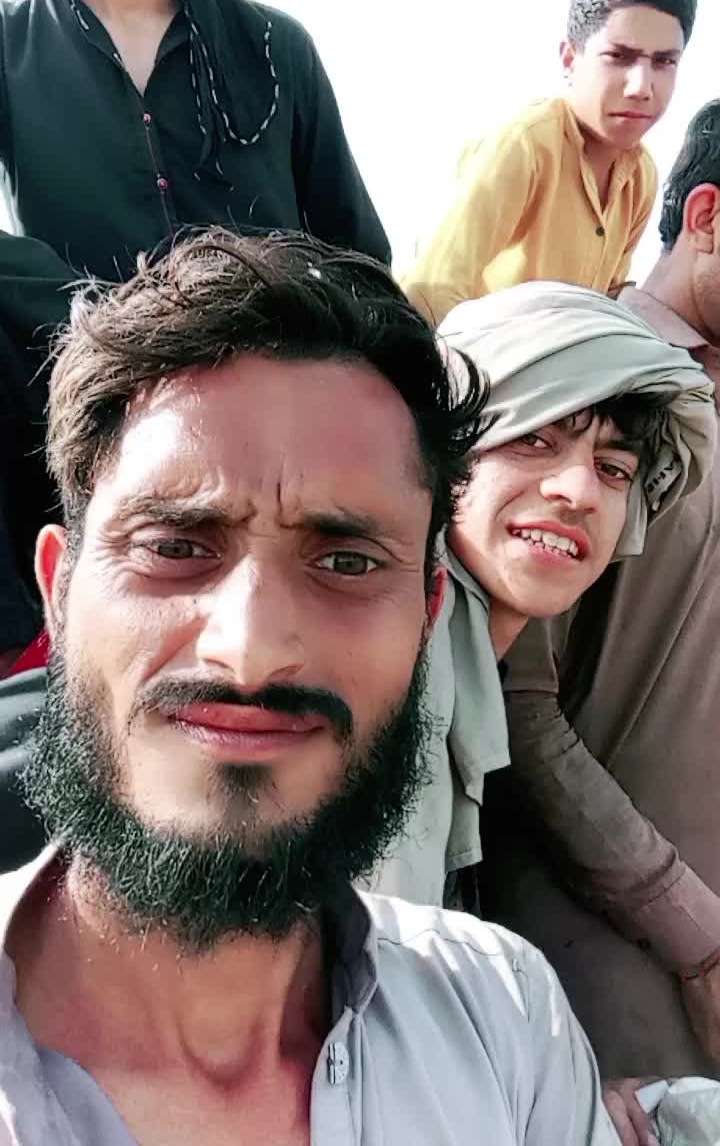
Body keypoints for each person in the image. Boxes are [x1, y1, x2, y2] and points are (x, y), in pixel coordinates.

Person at [0, 229, 619, 1144]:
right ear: (59, 591)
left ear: (426, 616)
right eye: (175, 546)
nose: (250, 655)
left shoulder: (508, 1024)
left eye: (345, 561)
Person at [0, 0, 389, 672]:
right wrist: (103, 321)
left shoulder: (277, 51)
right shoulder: (8, 47)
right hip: (89, 440)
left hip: (279, 458)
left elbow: (363, 267)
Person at [478, 102, 720, 1122]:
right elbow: (510, 699)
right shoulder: (573, 374)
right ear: (707, 215)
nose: (587, 477)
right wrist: (694, 931)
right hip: (606, 962)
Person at [369, 283, 715, 908]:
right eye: (533, 439)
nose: (579, 491)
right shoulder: (388, 682)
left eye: (614, 469)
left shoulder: (459, 677)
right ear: (449, 448)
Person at [403, 0, 697, 326]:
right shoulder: (524, 146)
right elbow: (429, 291)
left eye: (664, 62)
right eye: (619, 57)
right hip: (472, 355)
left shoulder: (640, 176)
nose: (641, 86)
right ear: (570, 60)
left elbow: (606, 303)